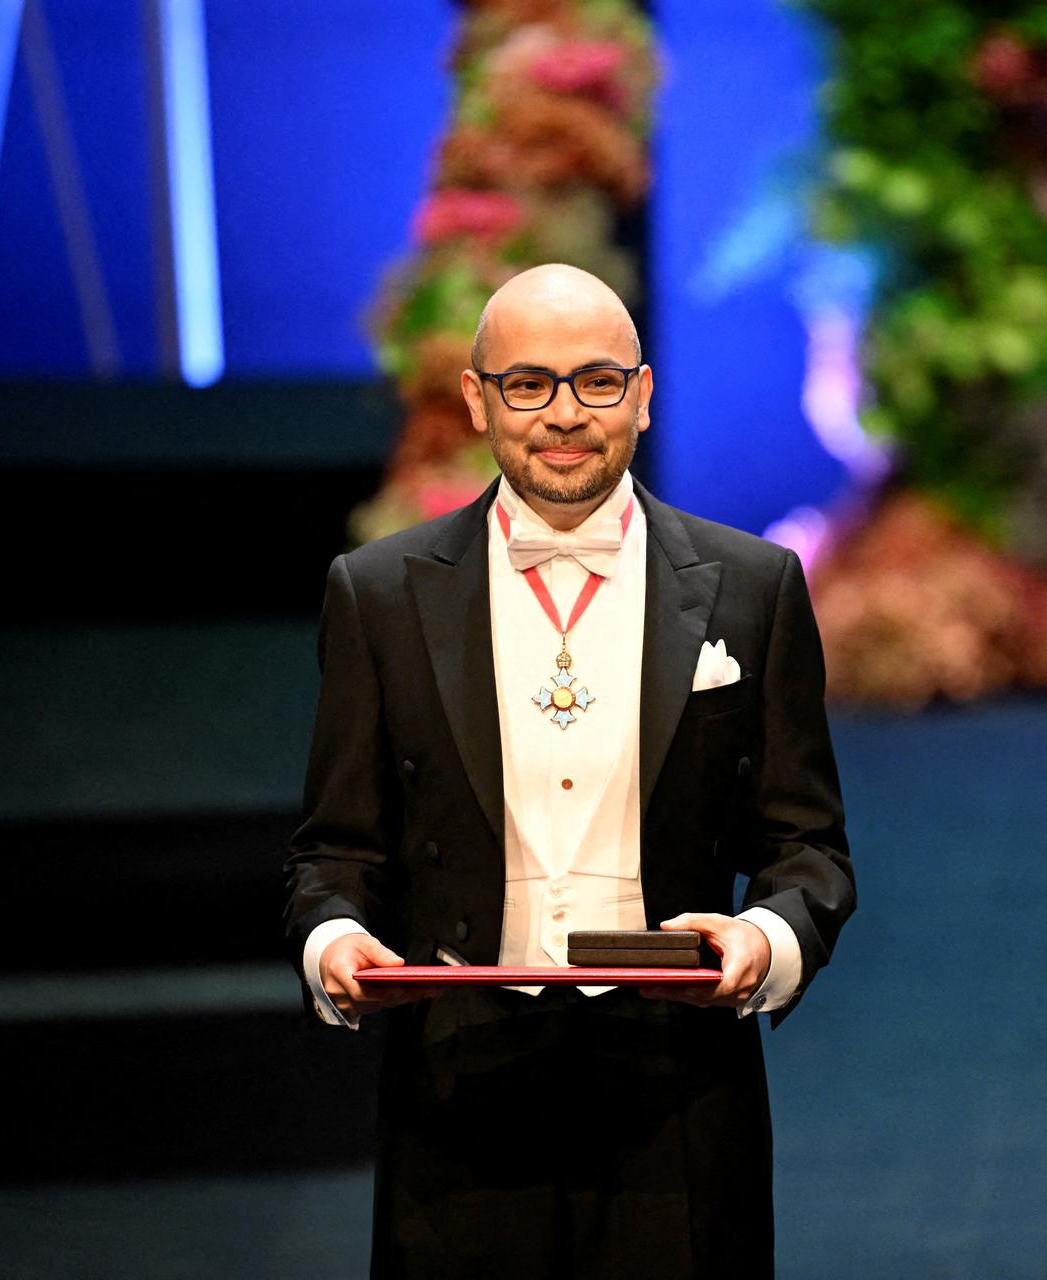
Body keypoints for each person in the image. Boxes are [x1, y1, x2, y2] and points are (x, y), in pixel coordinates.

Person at [282, 263, 856, 1278]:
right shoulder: (377, 594)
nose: (563, 415)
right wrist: (335, 939)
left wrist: (762, 940)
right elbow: (335, 847)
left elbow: (807, 849)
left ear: (641, 394)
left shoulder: (754, 587)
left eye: (595, 382)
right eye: (528, 384)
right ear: (477, 399)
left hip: (678, 1092)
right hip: (456, 1090)